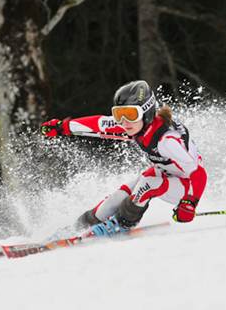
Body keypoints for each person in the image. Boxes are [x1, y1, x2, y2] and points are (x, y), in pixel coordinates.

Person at [40, 80, 207, 236]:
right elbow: (99, 123)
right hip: (164, 174)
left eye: (130, 114)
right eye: (119, 114)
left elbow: (198, 173)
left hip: (188, 186)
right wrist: (62, 127)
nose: (124, 121)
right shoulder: (136, 125)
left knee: (147, 184)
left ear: (146, 112)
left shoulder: (167, 141)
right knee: (117, 198)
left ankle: (121, 224)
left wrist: (190, 203)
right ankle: (77, 228)